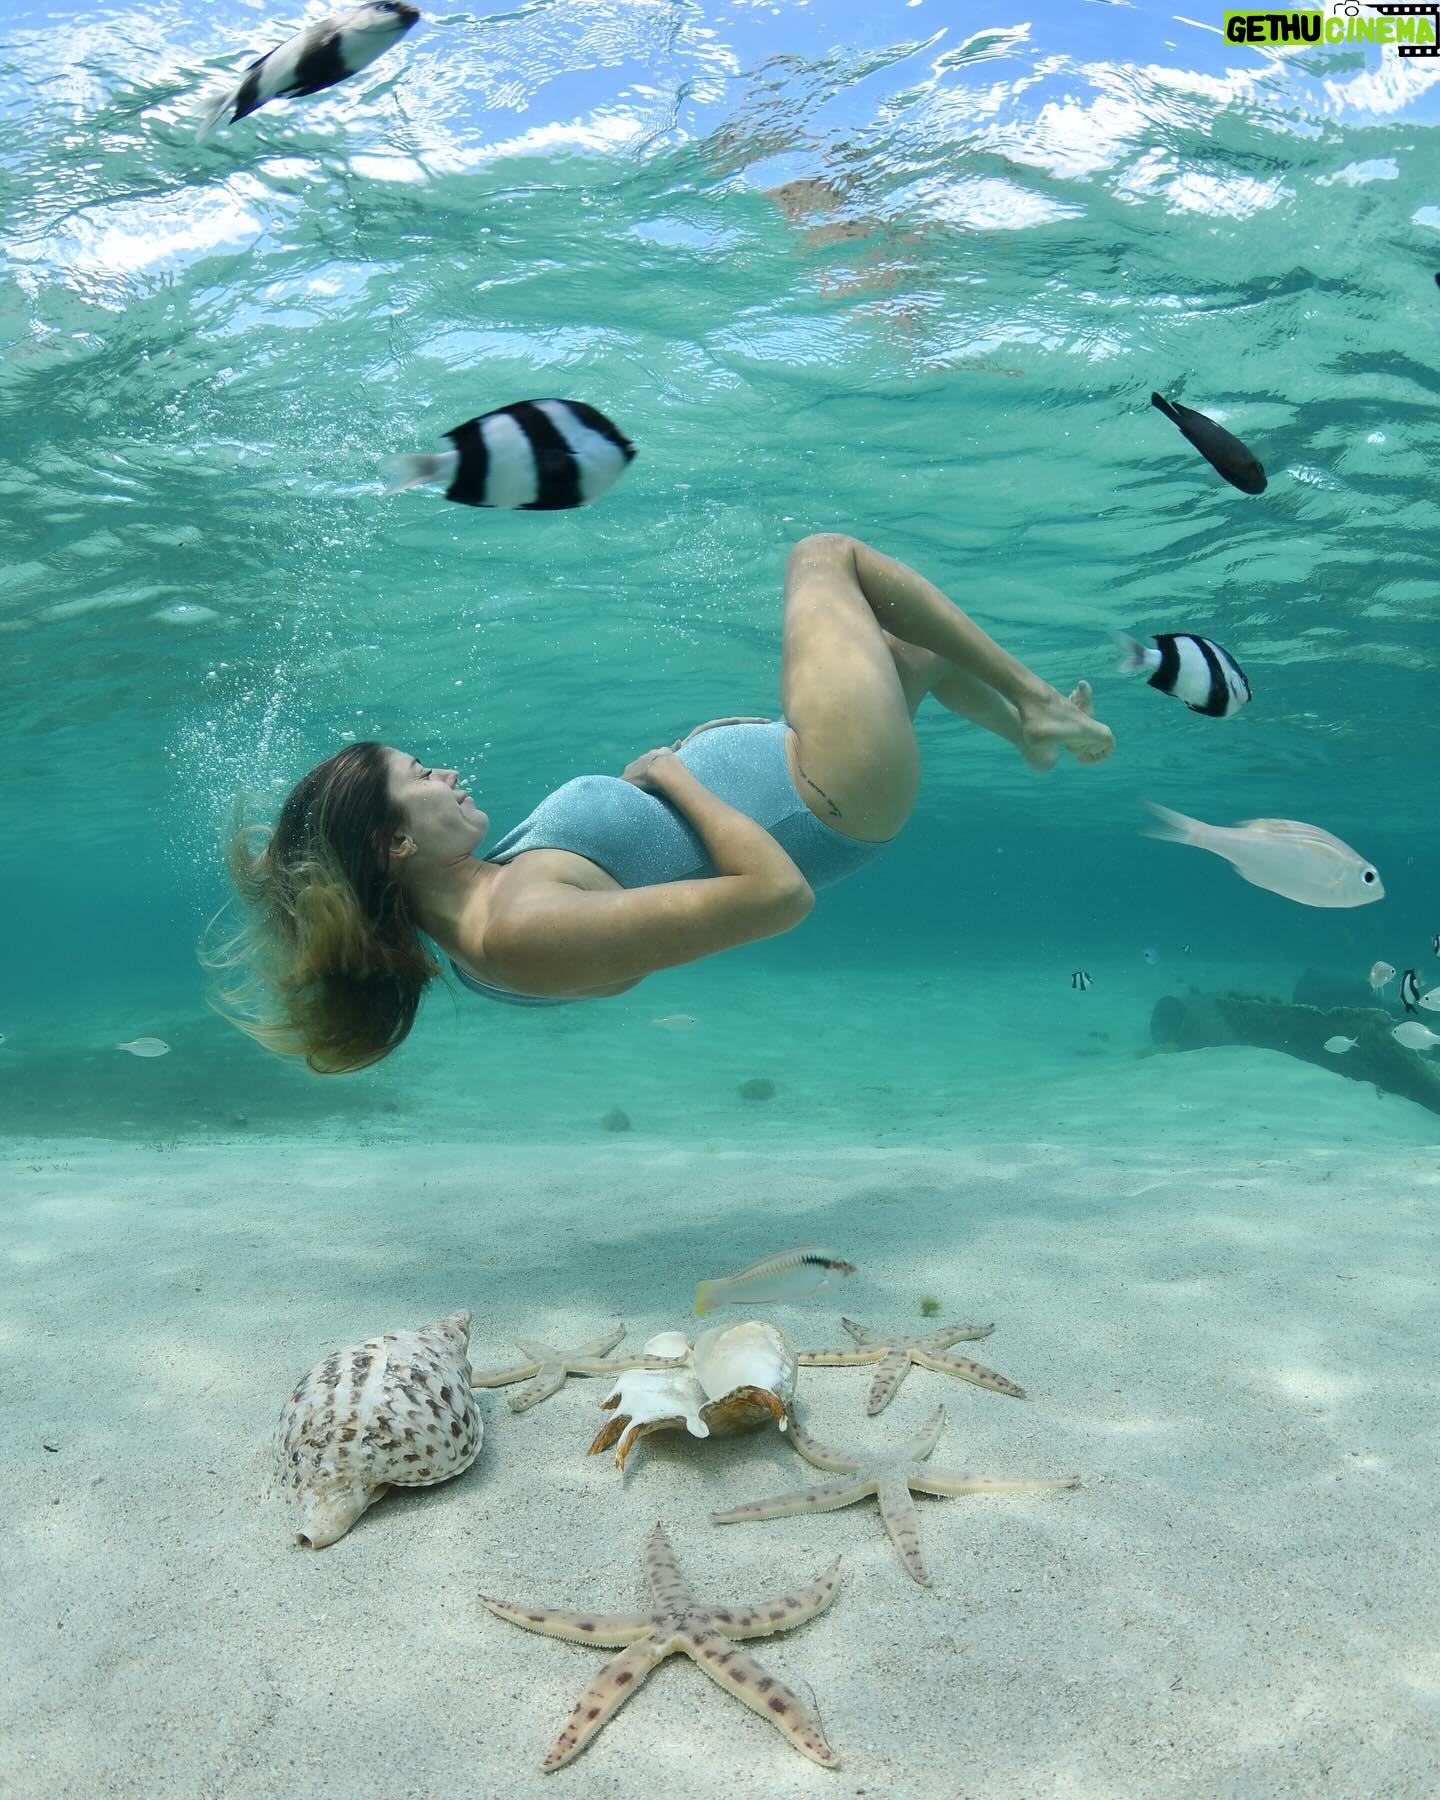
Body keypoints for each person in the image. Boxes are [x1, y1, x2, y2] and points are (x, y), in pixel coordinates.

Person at [204, 533, 1114, 1072]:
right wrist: (682, 777)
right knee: (823, 557)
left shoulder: (489, 905)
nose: (445, 774)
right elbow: (777, 898)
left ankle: (1026, 735)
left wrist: (688, 775)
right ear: (393, 843)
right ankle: (1038, 703)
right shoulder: (511, 933)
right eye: (420, 776)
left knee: (905, 642)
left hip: (814, 779)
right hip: (826, 794)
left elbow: (626, 942)